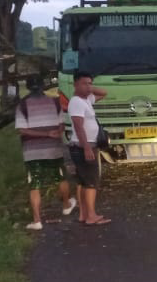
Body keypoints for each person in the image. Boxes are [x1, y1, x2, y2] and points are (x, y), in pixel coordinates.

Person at [15, 76, 77, 231]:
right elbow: (62, 125)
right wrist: (53, 133)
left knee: (34, 184)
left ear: (28, 87)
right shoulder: (55, 102)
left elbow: (22, 130)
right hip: (53, 149)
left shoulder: (22, 105)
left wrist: (44, 134)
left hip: (31, 152)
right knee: (60, 178)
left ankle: (37, 221)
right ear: (43, 87)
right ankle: (66, 205)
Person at [68, 71, 111, 226]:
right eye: (84, 83)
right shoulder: (77, 102)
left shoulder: (86, 100)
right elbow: (79, 127)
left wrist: (90, 88)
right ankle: (91, 216)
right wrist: (86, 148)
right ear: (75, 84)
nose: (88, 86)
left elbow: (104, 93)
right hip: (84, 147)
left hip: (86, 146)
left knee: (83, 181)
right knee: (91, 183)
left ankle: (84, 214)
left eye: (90, 83)